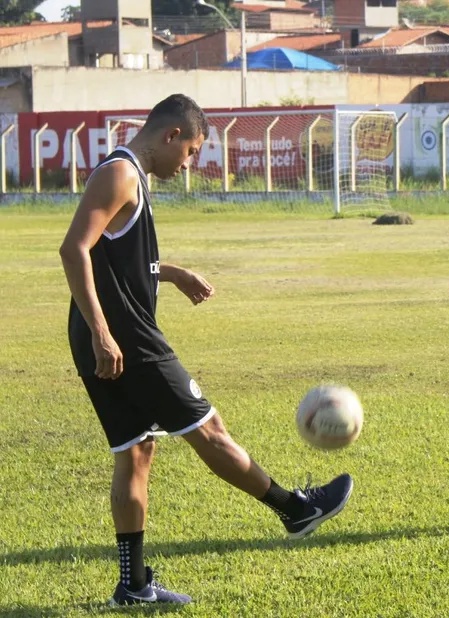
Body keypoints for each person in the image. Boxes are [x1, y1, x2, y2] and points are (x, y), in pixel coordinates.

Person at [59, 94, 354, 607]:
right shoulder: (122, 174)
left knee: (136, 451)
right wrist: (104, 334)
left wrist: (169, 272)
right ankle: (294, 509)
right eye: (191, 151)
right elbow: (74, 248)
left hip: (103, 333)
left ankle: (132, 586)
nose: (190, 163)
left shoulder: (130, 177)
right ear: (171, 135)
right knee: (209, 430)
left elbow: (115, 259)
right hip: (124, 337)